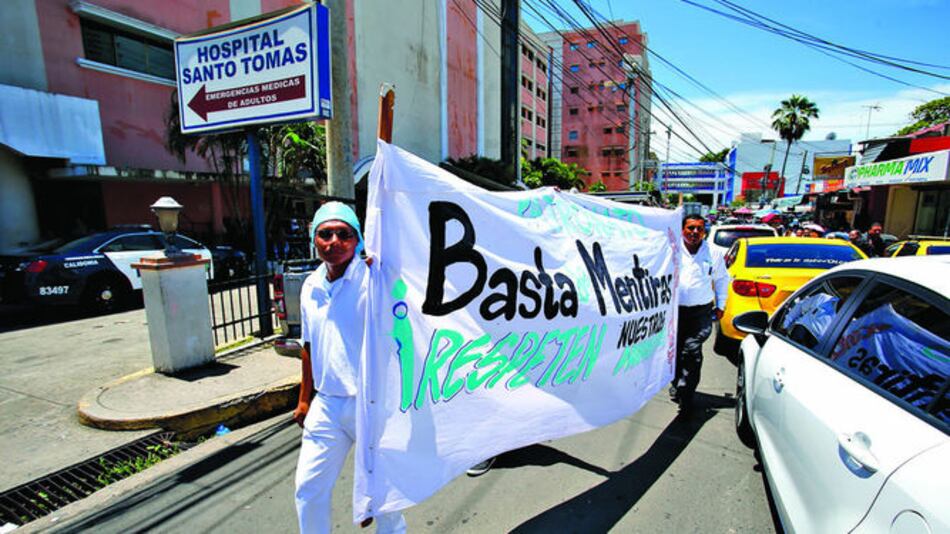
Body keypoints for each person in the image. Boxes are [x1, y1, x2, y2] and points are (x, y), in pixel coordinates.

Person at [293, 202, 406, 534]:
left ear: (357, 240)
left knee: (383, 497)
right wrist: (304, 399)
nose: (333, 241)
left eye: (344, 234)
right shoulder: (311, 285)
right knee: (308, 488)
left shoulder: (373, 278)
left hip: (370, 405)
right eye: (325, 234)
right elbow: (308, 346)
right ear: (314, 239)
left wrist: (381, 266)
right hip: (327, 405)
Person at [670, 214, 730, 414]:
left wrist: (721, 305)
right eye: (691, 228)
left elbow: (722, 279)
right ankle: (677, 381)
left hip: (700, 312)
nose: (695, 232)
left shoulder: (714, 253)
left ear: (705, 231)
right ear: (683, 230)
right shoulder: (671, 248)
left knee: (692, 351)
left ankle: (687, 395)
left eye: (699, 229)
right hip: (674, 312)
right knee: (675, 351)